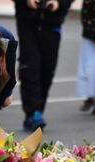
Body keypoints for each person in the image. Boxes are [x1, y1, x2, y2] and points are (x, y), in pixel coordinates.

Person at [13, 0, 73, 132]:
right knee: (30, 66)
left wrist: (58, 3)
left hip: (52, 22)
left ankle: (38, 110)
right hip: (27, 21)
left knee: (47, 69)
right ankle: (33, 112)